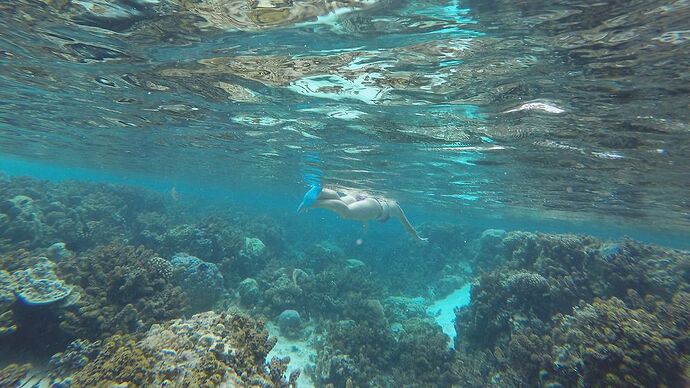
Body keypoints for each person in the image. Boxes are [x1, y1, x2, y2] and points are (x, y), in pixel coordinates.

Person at [297, 186, 428, 243]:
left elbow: (365, 213)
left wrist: (365, 226)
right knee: (346, 213)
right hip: (376, 207)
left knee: (339, 201)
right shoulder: (396, 208)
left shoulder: (385, 201)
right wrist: (418, 238)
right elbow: (408, 227)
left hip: (361, 198)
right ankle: (314, 204)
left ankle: (320, 191)